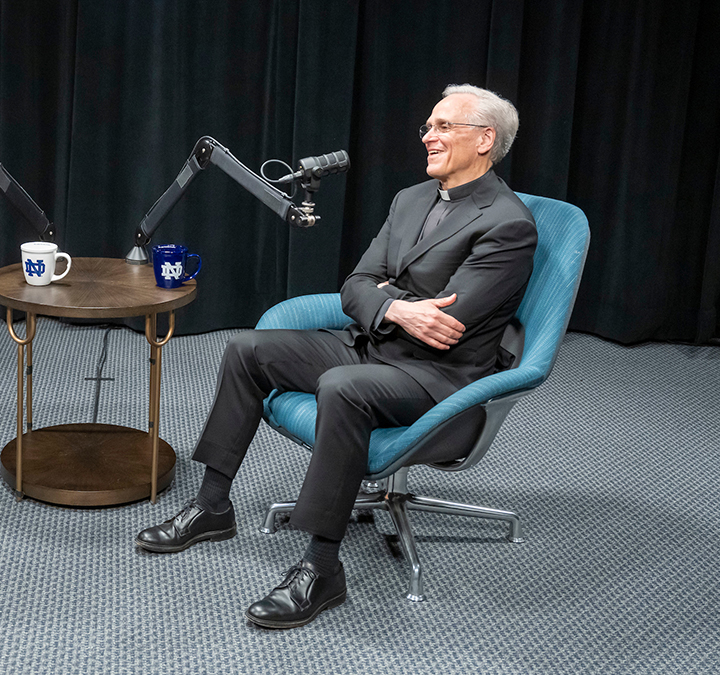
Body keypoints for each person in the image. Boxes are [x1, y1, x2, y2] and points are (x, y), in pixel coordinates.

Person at [135, 84, 537, 627]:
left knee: (344, 386)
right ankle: (212, 506)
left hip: (434, 376)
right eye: (428, 126)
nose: (429, 137)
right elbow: (355, 286)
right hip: (371, 342)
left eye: (444, 127)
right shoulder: (410, 198)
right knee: (248, 349)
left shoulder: (508, 223)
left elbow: (447, 325)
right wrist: (395, 308)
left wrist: (386, 299)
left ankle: (322, 568)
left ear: (485, 139)